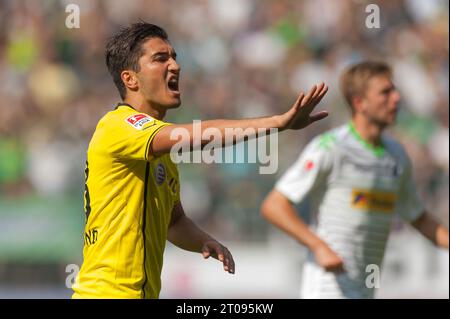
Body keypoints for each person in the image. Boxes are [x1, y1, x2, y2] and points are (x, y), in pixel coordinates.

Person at [72, 22, 329, 299]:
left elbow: (174, 222)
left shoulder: (159, 155)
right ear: (130, 79)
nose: (175, 65)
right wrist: (278, 122)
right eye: (160, 58)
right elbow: (197, 135)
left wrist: (205, 241)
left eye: (174, 57)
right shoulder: (118, 126)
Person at [261, 61, 449, 299]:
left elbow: (419, 218)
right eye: (385, 92)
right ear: (360, 103)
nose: (396, 98)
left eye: (395, 90)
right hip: (327, 291)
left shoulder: (396, 154)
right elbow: (274, 205)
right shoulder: (331, 147)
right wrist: (318, 246)